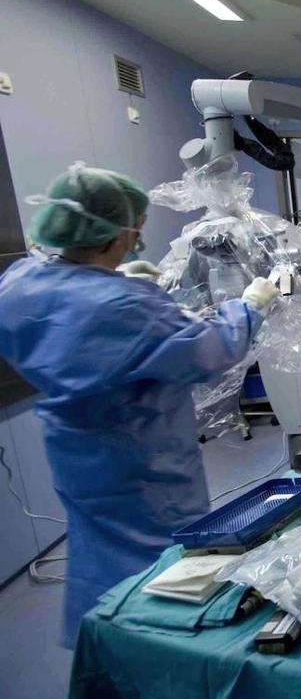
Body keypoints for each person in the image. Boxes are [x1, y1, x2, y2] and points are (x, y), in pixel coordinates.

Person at [0, 164, 279, 648]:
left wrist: (113, 280)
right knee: (162, 566)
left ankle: (104, 645)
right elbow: (210, 352)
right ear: (113, 235)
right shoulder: (123, 305)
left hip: (75, 451)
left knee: (96, 550)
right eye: (135, 231)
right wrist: (251, 305)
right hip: (141, 460)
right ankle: (158, 653)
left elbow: (69, 329)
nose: (137, 241)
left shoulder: (20, 281)